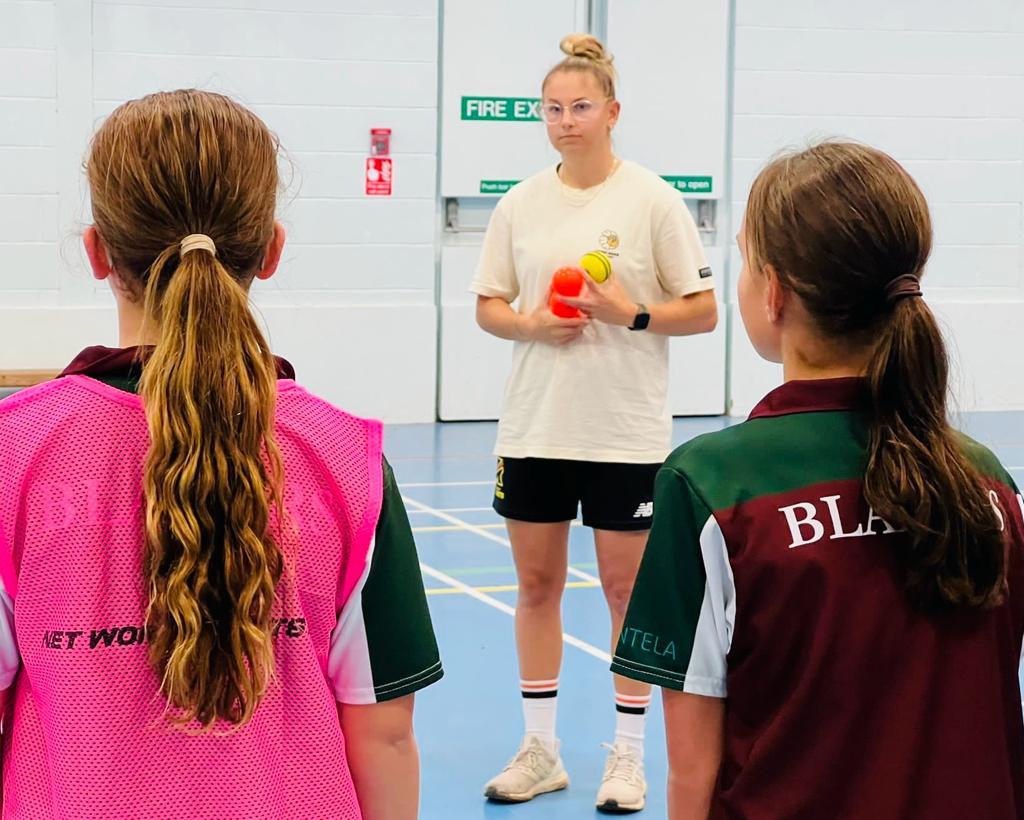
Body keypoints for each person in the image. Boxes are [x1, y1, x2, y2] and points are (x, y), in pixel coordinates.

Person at [0, 89, 442, 820]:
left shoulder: (15, 452)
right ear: (270, 250)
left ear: (97, 252)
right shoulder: (342, 458)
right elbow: (385, 737)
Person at [612, 141, 1024, 819]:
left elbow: (693, 777)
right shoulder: (987, 482)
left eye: (745, 261)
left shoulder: (712, 486)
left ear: (774, 293)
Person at [472, 34, 718, 812]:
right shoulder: (519, 204)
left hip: (623, 431)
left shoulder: (653, 200)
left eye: (580, 107)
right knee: (536, 586)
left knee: (624, 593)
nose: (565, 121)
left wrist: (630, 313)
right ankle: (540, 749)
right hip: (535, 428)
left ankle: (629, 757)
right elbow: (489, 305)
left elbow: (703, 311)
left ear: (612, 112)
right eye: (552, 109)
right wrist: (531, 326)